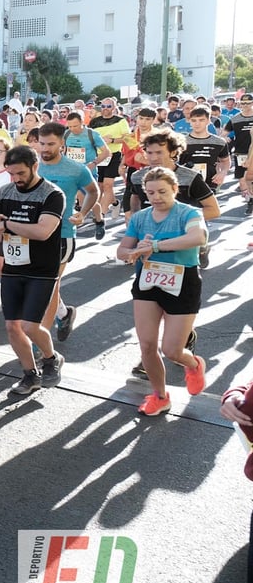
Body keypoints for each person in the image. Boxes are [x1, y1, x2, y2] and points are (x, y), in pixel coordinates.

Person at [115, 166, 207, 416]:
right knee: (146, 345)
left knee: (172, 350)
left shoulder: (189, 213)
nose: (156, 197)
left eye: (163, 191)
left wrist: (154, 246)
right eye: (151, 192)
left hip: (182, 281)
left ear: (176, 189)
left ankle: (193, 363)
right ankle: (160, 396)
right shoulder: (140, 218)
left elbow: (197, 238)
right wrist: (132, 253)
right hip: (148, 280)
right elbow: (122, 251)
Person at [0, 145, 67, 396]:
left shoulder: (52, 194)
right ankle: (30, 374)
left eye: (21, 173)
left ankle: (51, 358)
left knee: (31, 326)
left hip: (42, 269)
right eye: (11, 174)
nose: (16, 179)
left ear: (35, 167)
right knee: (12, 326)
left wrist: (7, 224)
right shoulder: (4, 192)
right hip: (12, 266)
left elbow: (43, 232)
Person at [34, 123, 100, 344]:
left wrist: (83, 213)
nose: (45, 148)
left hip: (61, 234)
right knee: (36, 284)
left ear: (62, 143)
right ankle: (64, 314)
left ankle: (41, 340)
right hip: (31, 234)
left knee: (50, 285)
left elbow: (93, 191)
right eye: (42, 143)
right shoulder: (31, 165)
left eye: (51, 144)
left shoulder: (76, 169)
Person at [62, 111, 111, 238]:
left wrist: (93, 163)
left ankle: (99, 221)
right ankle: (69, 224)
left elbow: (106, 152)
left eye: (76, 126)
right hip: (71, 172)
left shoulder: (92, 134)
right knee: (70, 197)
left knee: (91, 200)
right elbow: (64, 150)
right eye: (70, 126)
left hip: (88, 172)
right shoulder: (66, 134)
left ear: (82, 123)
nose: (73, 129)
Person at [89, 98, 132, 227]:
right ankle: (115, 203)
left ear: (114, 107)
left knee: (108, 185)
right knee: (100, 186)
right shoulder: (94, 122)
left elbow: (128, 138)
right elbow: (88, 136)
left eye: (108, 106)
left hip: (113, 155)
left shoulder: (120, 121)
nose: (105, 108)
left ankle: (100, 217)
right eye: (103, 106)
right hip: (98, 156)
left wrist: (112, 140)